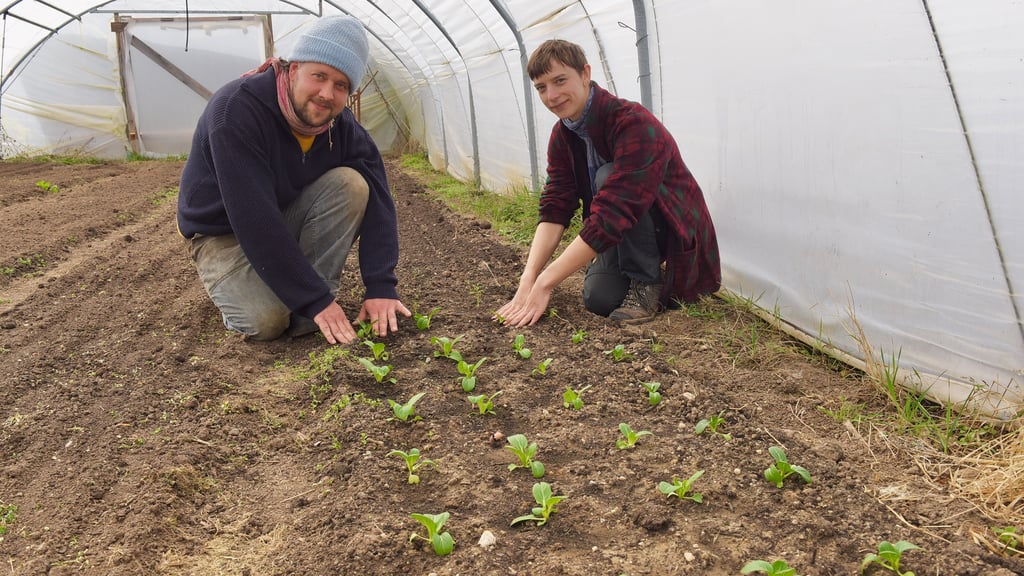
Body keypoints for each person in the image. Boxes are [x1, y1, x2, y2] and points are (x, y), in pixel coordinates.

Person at [177, 15, 410, 344]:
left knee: (353, 183)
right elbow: (254, 218)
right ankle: (294, 298)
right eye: (320, 76)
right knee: (267, 321)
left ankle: (307, 308)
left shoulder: (342, 128)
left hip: (281, 214)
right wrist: (317, 301)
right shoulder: (237, 111)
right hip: (222, 233)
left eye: (341, 85)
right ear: (292, 68)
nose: (327, 93)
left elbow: (381, 203)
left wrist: (381, 286)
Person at [496, 39, 720, 327]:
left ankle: (646, 281)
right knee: (599, 299)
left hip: (670, 227)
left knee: (607, 175)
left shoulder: (632, 122)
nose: (551, 95)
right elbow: (556, 206)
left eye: (560, 80)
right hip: (621, 228)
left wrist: (546, 283)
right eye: (541, 87)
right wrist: (530, 279)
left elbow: (618, 208)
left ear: (585, 74)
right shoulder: (563, 136)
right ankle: (639, 269)